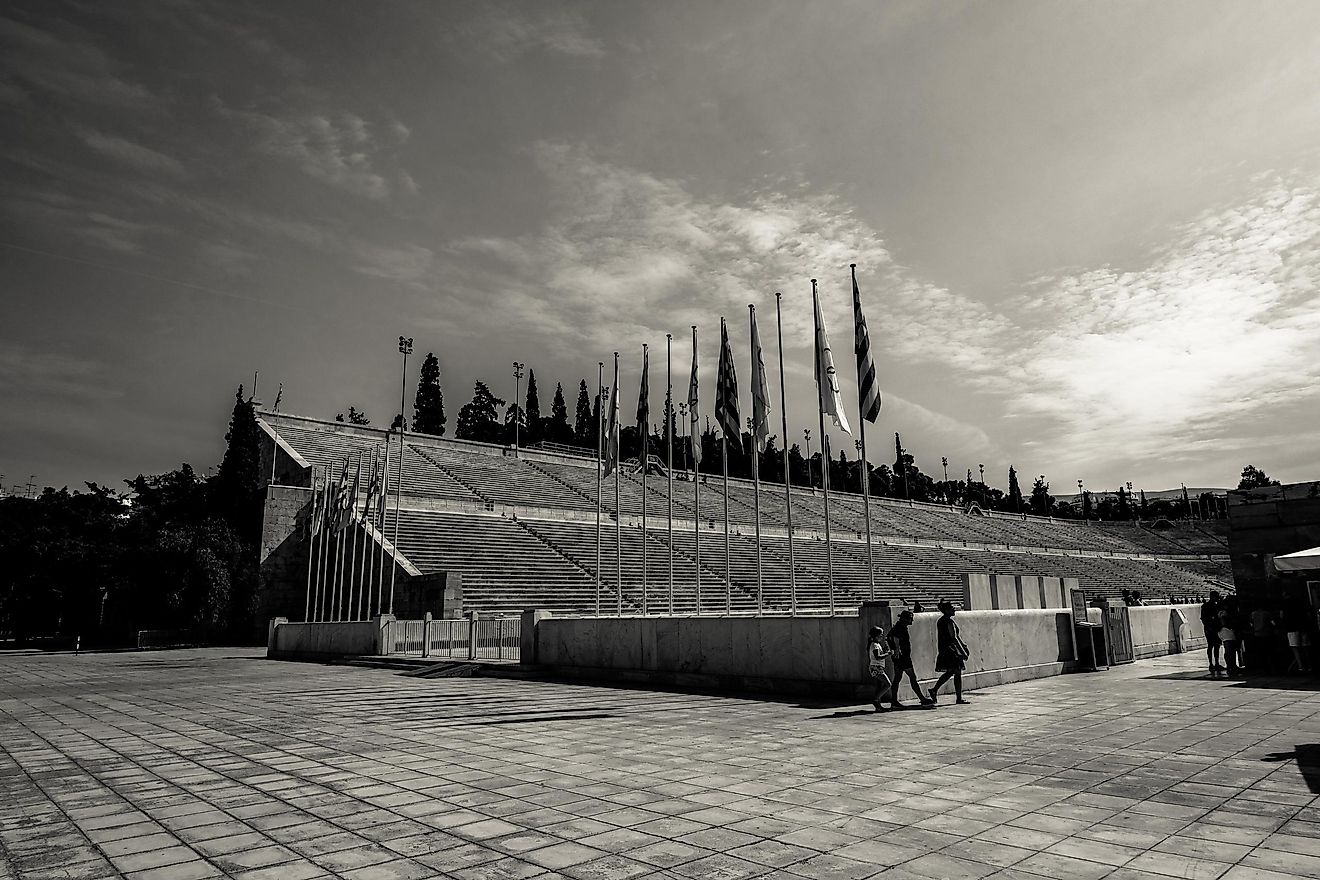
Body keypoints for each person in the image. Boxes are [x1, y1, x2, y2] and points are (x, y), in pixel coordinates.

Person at [888, 610, 933, 708]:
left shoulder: (899, 626)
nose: (912, 621)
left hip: (901, 657)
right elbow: (895, 637)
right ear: (905, 619)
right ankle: (922, 699)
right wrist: (896, 649)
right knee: (912, 677)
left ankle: (894, 701)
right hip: (903, 657)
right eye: (910, 619)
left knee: (897, 678)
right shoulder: (900, 627)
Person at [929, 602, 969, 705]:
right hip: (951, 650)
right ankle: (958, 698)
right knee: (956, 672)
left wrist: (963, 645)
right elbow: (954, 638)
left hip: (945, 649)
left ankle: (934, 690)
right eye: (952, 608)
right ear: (946, 610)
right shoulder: (948, 622)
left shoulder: (941, 621)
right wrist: (963, 652)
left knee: (951, 672)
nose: (954, 609)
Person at [1282, 592, 1314, 674]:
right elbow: (1308, 615)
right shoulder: (1301, 605)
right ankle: (1309, 666)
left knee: (1296, 649)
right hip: (1303, 627)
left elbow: (1282, 617)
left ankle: (1301, 667)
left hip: (1291, 628)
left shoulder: (1285, 606)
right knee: (1305, 648)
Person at [866, 625, 894, 712]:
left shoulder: (877, 644)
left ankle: (878, 704)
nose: (882, 637)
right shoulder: (874, 645)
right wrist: (888, 654)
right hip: (876, 668)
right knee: (888, 684)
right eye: (880, 635)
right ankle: (876, 699)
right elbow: (878, 657)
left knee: (879, 686)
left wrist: (885, 651)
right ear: (876, 636)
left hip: (879, 667)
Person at [1201, 591, 1223, 674]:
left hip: (1215, 628)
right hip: (1210, 628)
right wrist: (1208, 627)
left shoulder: (1216, 606)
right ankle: (1211, 663)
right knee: (1211, 646)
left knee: (1216, 646)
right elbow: (1204, 618)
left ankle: (1216, 663)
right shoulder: (1206, 606)